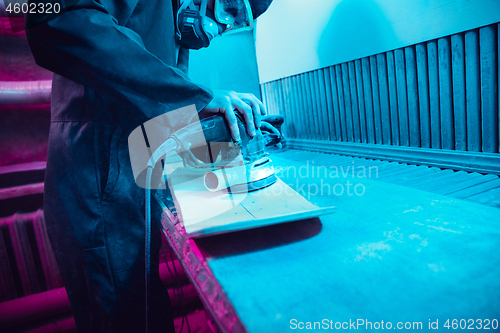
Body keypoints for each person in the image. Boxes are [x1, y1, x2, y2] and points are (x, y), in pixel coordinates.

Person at [24, 0, 273, 332]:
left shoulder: (172, 22)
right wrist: (194, 97)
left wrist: (226, 147)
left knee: (147, 314)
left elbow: (151, 108)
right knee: (123, 319)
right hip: (97, 189)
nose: (221, 24)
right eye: (229, 7)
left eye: (237, 20)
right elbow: (57, 18)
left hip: (126, 189)